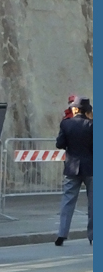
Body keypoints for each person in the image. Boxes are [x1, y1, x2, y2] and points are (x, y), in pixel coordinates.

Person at [55, 96, 93, 247]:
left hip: (71, 168)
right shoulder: (92, 125)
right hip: (91, 168)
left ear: (76, 109)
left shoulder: (66, 124)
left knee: (67, 202)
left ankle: (61, 235)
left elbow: (59, 144)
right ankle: (93, 236)